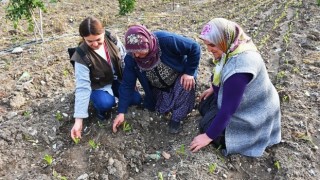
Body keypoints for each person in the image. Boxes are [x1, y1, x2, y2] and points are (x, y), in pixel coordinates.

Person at [189, 18, 281, 157]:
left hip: (254, 115)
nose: (208, 50)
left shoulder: (238, 70)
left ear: (223, 40)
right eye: (206, 44)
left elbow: (227, 111)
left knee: (206, 125)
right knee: (204, 103)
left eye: (212, 45)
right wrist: (213, 89)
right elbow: (224, 78)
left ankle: (244, 139)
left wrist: (207, 137)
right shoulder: (236, 46)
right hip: (249, 100)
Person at [112, 24, 201, 134]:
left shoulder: (164, 40)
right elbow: (127, 85)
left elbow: (194, 47)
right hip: (159, 87)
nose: (137, 55)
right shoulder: (131, 59)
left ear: (148, 42)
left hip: (179, 77)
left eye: (140, 51)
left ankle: (176, 119)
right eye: (134, 52)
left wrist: (189, 73)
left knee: (185, 86)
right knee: (159, 108)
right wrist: (121, 112)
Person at [70, 17, 141, 141]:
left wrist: (130, 83)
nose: (95, 44)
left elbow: (125, 60)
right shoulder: (81, 56)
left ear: (103, 32)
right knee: (106, 103)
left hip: (116, 79)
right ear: (83, 38)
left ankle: (116, 97)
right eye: (89, 41)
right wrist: (78, 120)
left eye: (98, 39)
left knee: (136, 99)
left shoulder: (112, 38)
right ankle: (101, 112)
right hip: (99, 85)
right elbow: (82, 87)